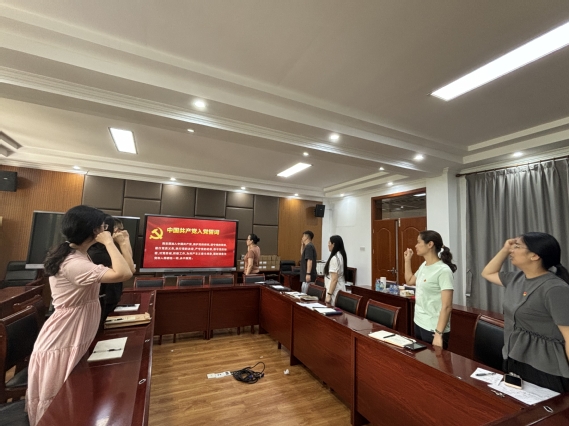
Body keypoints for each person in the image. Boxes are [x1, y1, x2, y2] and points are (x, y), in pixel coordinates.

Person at [26, 205, 134, 425]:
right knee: (61, 405)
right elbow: (124, 273)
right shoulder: (74, 263)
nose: (106, 230)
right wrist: (109, 242)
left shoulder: (78, 254)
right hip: (65, 336)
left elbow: (127, 270)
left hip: (75, 332)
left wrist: (121, 242)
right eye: (102, 226)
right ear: (94, 230)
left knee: (75, 399)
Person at [481, 232, 569, 393]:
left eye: (517, 247)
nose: (512, 250)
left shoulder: (555, 289)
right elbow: (487, 273)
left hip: (545, 367)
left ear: (534, 256)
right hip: (514, 356)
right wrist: (505, 249)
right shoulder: (516, 279)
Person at [404, 230, 456, 349]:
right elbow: (410, 281)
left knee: (433, 359)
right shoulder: (424, 265)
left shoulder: (443, 271)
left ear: (430, 244)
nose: (415, 246)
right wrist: (407, 260)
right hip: (419, 322)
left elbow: (447, 306)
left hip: (433, 328)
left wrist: (438, 334)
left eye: (418, 242)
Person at [88, 216, 136, 328]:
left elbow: (129, 260)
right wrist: (122, 243)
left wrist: (126, 240)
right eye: (119, 230)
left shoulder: (108, 248)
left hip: (110, 295)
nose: (120, 233)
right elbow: (130, 269)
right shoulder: (98, 252)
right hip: (104, 298)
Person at [324, 235, 348, 306]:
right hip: (340, 288)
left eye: (329, 242)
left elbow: (334, 279)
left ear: (333, 244)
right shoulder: (341, 255)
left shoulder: (335, 258)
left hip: (335, 290)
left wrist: (329, 295)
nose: (328, 244)